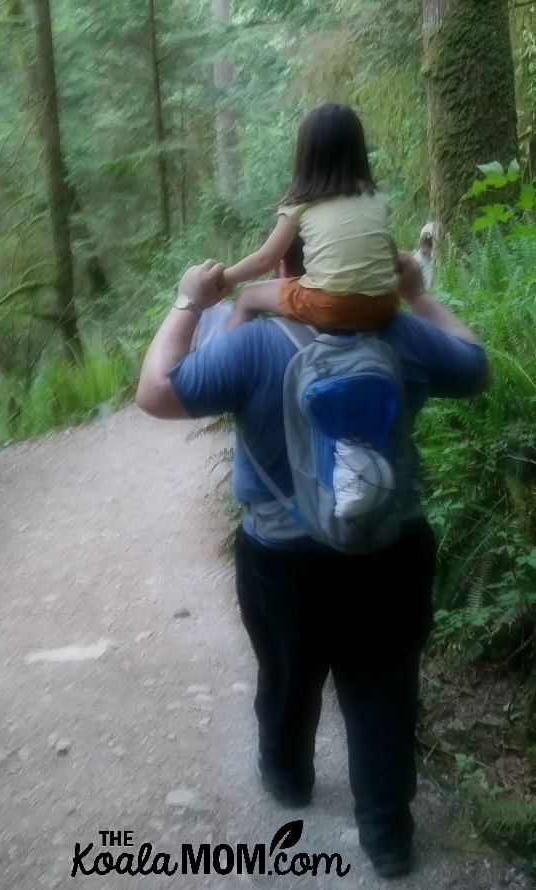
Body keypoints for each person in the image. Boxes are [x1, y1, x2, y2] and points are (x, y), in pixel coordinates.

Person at [136, 254, 489, 879]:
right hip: (389, 548)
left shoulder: (253, 345)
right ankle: (387, 836)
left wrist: (189, 301)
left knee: (286, 672)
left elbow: (157, 393)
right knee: (384, 689)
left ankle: (289, 777)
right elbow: (476, 366)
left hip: (280, 559)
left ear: (282, 265)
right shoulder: (401, 334)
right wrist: (417, 294)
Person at [222, 103, 399, 332]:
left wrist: (225, 279)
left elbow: (265, 260)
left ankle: (227, 356)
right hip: (385, 305)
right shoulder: (376, 198)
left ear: (306, 153)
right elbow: (388, 252)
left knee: (248, 296)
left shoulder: (300, 202)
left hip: (329, 305)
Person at [413, 222, 435, 290]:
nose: (427, 248)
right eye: (425, 243)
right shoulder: (417, 259)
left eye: (430, 244)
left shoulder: (438, 258)